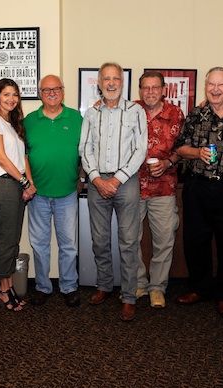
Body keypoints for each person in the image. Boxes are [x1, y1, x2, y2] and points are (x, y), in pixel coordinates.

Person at [174, 67, 223, 317]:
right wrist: (197, 152)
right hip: (199, 186)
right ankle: (200, 289)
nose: (216, 89)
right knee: (195, 241)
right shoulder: (196, 114)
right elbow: (179, 148)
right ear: (206, 87)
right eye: (211, 85)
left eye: (221, 85)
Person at [79, 62, 147, 322]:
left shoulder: (135, 111)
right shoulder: (91, 114)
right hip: (97, 183)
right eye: (105, 78)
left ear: (122, 82)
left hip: (126, 181)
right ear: (99, 83)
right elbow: (85, 149)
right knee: (99, 240)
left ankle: (129, 296)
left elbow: (140, 150)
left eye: (115, 78)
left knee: (129, 242)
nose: (110, 83)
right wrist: (96, 179)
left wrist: (116, 180)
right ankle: (104, 285)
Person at [24, 75, 84, 308]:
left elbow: (86, 151)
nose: (51, 93)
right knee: (39, 244)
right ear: (40, 93)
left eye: (56, 88)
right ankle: (42, 286)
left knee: (68, 244)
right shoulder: (29, 121)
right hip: (37, 194)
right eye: (46, 89)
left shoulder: (77, 118)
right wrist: (28, 183)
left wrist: (81, 177)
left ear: (63, 91)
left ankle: (69, 286)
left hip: (67, 192)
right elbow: (24, 155)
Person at [0, 78, 36, 311]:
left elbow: (22, 157)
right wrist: (24, 182)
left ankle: (9, 286)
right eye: (6, 94)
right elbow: (3, 159)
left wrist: (29, 184)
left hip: (17, 184)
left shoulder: (13, 123)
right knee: (6, 241)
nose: (11, 99)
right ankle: (3, 289)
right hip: (4, 185)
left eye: (15, 94)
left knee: (13, 240)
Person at [135, 71, 185, 309]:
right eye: (146, 88)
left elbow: (183, 148)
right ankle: (138, 283)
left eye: (155, 87)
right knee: (130, 238)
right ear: (140, 90)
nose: (151, 92)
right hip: (132, 185)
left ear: (163, 89)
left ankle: (157, 288)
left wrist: (168, 163)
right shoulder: (130, 110)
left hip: (164, 186)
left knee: (164, 239)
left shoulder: (176, 114)